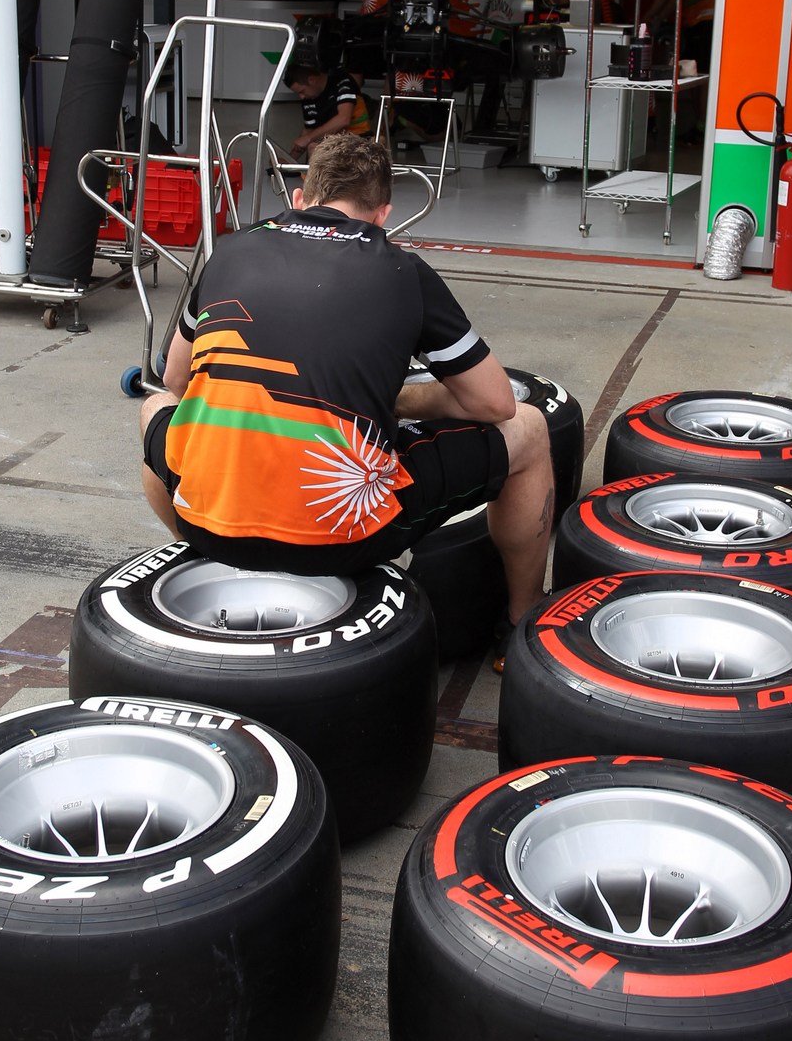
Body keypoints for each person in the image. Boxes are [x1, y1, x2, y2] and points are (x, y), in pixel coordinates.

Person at [139, 132, 553, 652]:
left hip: (208, 527)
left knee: (155, 406)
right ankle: (521, 621)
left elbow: (177, 380)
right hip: (343, 535)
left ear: (299, 198)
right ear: (382, 214)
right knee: (530, 431)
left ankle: (211, 556)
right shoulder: (404, 270)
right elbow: (496, 403)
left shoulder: (230, 250)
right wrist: (401, 400)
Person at [642, 0, 717, 142]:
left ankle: (703, 128)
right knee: (694, 73)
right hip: (695, 22)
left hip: (706, 20)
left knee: (700, 74)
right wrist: (648, 17)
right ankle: (699, 126)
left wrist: (657, 18)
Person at [285, 52, 373, 157]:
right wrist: (289, 160)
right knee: (313, 146)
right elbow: (309, 130)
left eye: (302, 91)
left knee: (314, 147)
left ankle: (318, 173)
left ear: (312, 80)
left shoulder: (343, 82)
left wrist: (308, 138)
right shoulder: (308, 98)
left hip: (359, 138)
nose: (301, 97)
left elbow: (343, 119)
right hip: (332, 142)